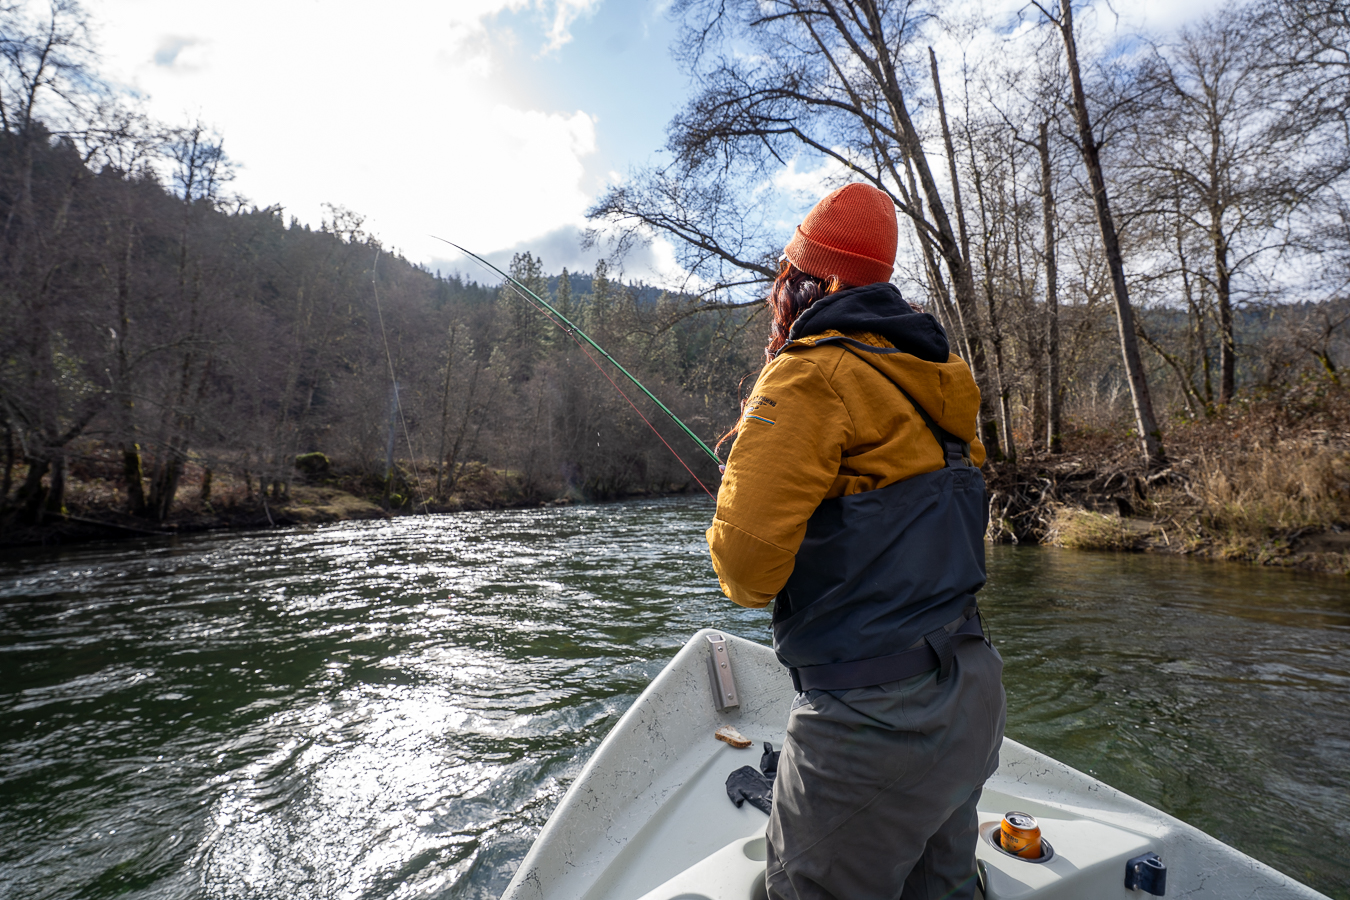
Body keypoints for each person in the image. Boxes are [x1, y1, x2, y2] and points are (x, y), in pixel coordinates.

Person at [707, 182, 1006, 900]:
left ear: (811, 282)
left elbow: (746, 575)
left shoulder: (809, 376)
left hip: (872, 727)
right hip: (971, 697)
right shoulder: (945, 379)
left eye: (787, 276)